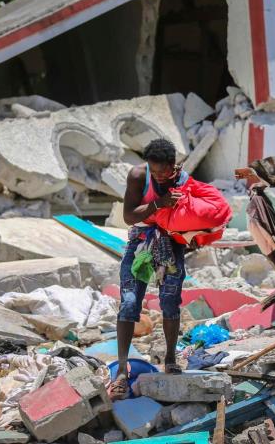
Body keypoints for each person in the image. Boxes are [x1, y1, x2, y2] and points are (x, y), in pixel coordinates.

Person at [109, 138, 188, 400]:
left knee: (169, 302)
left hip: (171, 243)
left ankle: (170, 357)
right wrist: (158, 204)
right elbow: (129, 216)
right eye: (154, 171)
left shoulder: (184, 180)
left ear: (173, 164)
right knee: (129, 303)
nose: (159, 175)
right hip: (141, 242)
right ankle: (122, 369)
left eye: (163, 171)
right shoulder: (138, 176)